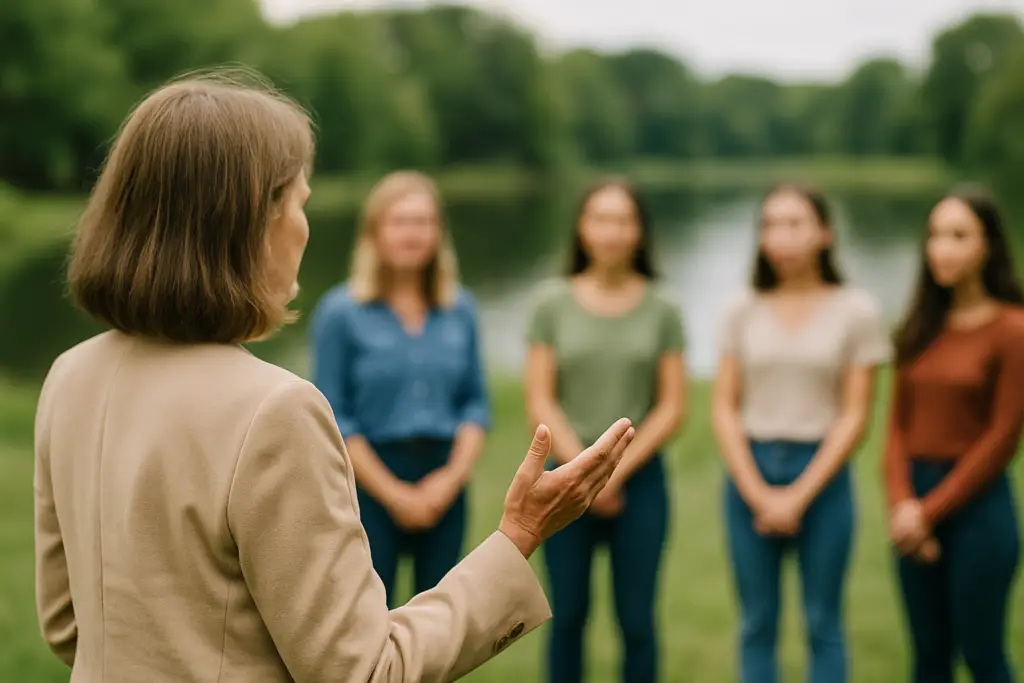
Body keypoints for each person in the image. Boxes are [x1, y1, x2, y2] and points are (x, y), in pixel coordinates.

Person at [33, 69, 636, 683]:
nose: (305, 227)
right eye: (301, 203)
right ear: (251, 221)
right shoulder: (272, 411)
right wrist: (520, 534)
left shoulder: (69, 376)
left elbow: (68, 624)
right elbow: (364, 670)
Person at [712, 184, 890, 683]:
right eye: (769, 224)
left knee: (823, 622)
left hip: (824, 475)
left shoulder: (856, 310)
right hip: (751, 471)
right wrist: (756, 491)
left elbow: (855, 415)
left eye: (794, 224)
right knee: (756, 623)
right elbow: (725, 408)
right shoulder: (740, 308)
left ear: (825, 233)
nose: (780, 237)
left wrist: (798, 496)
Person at [524, 177, 687, 683]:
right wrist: (585, 470)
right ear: (582, 228)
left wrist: (613, 474)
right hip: (563, 478)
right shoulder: (551, 303)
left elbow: (672, 407)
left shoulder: (664, 308)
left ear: (639, 231)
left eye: (623, 220)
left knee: (637, 621)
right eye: (600, 219)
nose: (612, 232)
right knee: (567, 616)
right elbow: (540, 397)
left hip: (639, 483)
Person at [310, 170, 488, 606]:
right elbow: (333, 416)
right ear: (375, 233)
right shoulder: (341, 314)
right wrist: (394, 494)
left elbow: (475, 404)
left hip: (444, 479)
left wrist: (449, 480)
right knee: (370, 619)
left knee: (444, 622)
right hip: (370, 484)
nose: (413, 233)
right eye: (400, 221)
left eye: (424, 222)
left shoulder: (460, 309)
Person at [885, 188, 1024, 683]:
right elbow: (897, 429)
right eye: (935, 236)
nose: (942, 248)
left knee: (982, 655)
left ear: (988, 245)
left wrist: (929, 512)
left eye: (958, 236)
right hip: (913, 504)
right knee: (928, 659)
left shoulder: (1013, 329)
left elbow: (1003, 438)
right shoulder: (921, 326)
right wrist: (904, 506)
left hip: (978, 510)